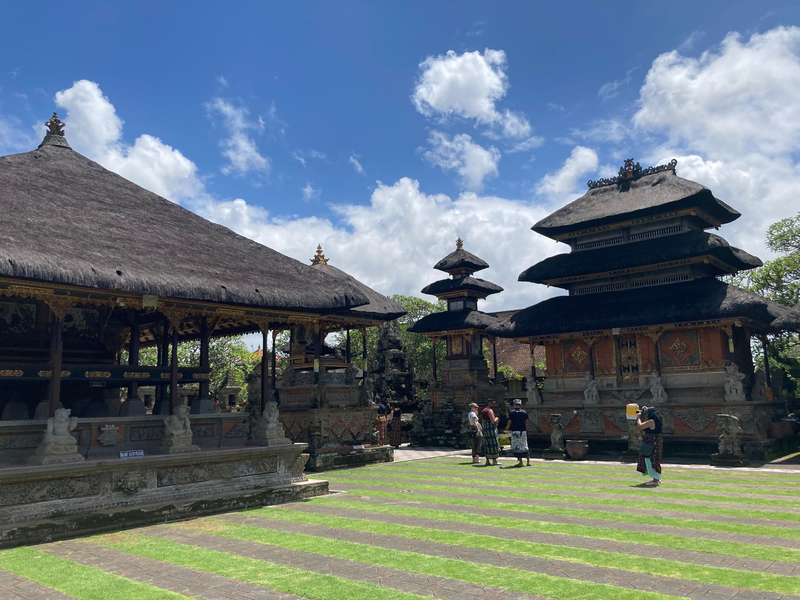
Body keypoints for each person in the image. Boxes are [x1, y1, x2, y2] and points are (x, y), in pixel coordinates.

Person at [636, 406, 663, 486]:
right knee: (650, 459)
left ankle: (655, 480)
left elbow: (640, 426)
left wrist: (639, 417)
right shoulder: (655, 420)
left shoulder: (651, 421)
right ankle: (655, 478)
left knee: (652, 459)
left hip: (652, 443)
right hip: (652, 442)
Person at [506, 399, 530, 467]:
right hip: (523, 431)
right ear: (520, 404)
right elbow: (527, 421)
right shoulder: (524, 412)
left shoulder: (512, 412)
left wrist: (507, 427)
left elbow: (509, 421)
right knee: (524, 445)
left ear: (514, 404)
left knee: (517, 447)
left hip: (515, 431)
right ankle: (528, 461)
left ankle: (521, 462)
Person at [481, 399, 501, 466]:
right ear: (489, 403)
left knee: (487, 444)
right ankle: (494, 461)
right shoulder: (489, 410)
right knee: (494, 443)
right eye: (493, 403)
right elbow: (493, 421)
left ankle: (487, 461)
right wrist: (497, 418)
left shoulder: (483, 410)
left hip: (485, 429)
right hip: (491, 429)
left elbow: (483, 421)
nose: (494, 405)